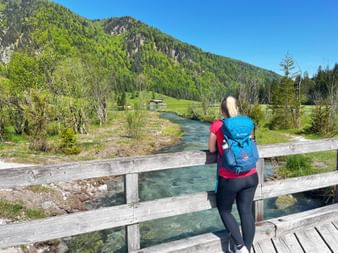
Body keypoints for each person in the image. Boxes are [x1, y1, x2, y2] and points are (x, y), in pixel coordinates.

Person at [208, 96, 258, 253]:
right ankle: (247, 249)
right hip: (251, 175)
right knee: (246, 211)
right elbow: (251, 143)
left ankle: (240, 247)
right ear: (237, 107)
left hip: (230, 177)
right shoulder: (247, 123)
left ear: (222, 109)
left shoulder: (217, 125)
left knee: (224, 210)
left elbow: (211, 149)